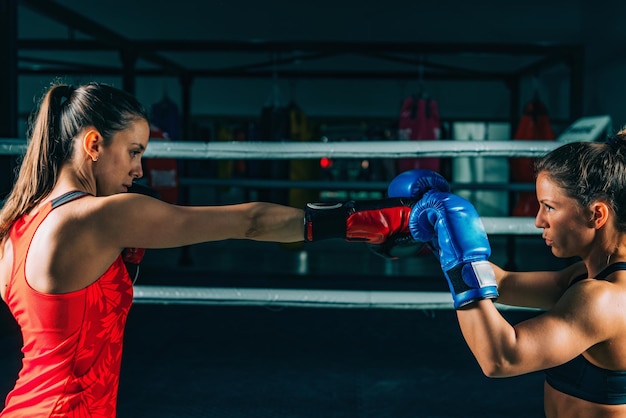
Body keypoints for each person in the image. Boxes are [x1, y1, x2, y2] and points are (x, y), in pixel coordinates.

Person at [0, 81, 424, 417]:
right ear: (93, 145)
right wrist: (362, 221)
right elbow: (250, 221)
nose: (139, 169)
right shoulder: (102, 217)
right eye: (133, 152)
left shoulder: (16, 228)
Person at [391, 135, 626, 417]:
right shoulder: (585, 277)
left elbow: (502, 357)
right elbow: (502, 282)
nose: (538, 220)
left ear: (596, 215)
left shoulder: (603, 299)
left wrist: (460, 262)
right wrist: (444, 240)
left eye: (549, 207)